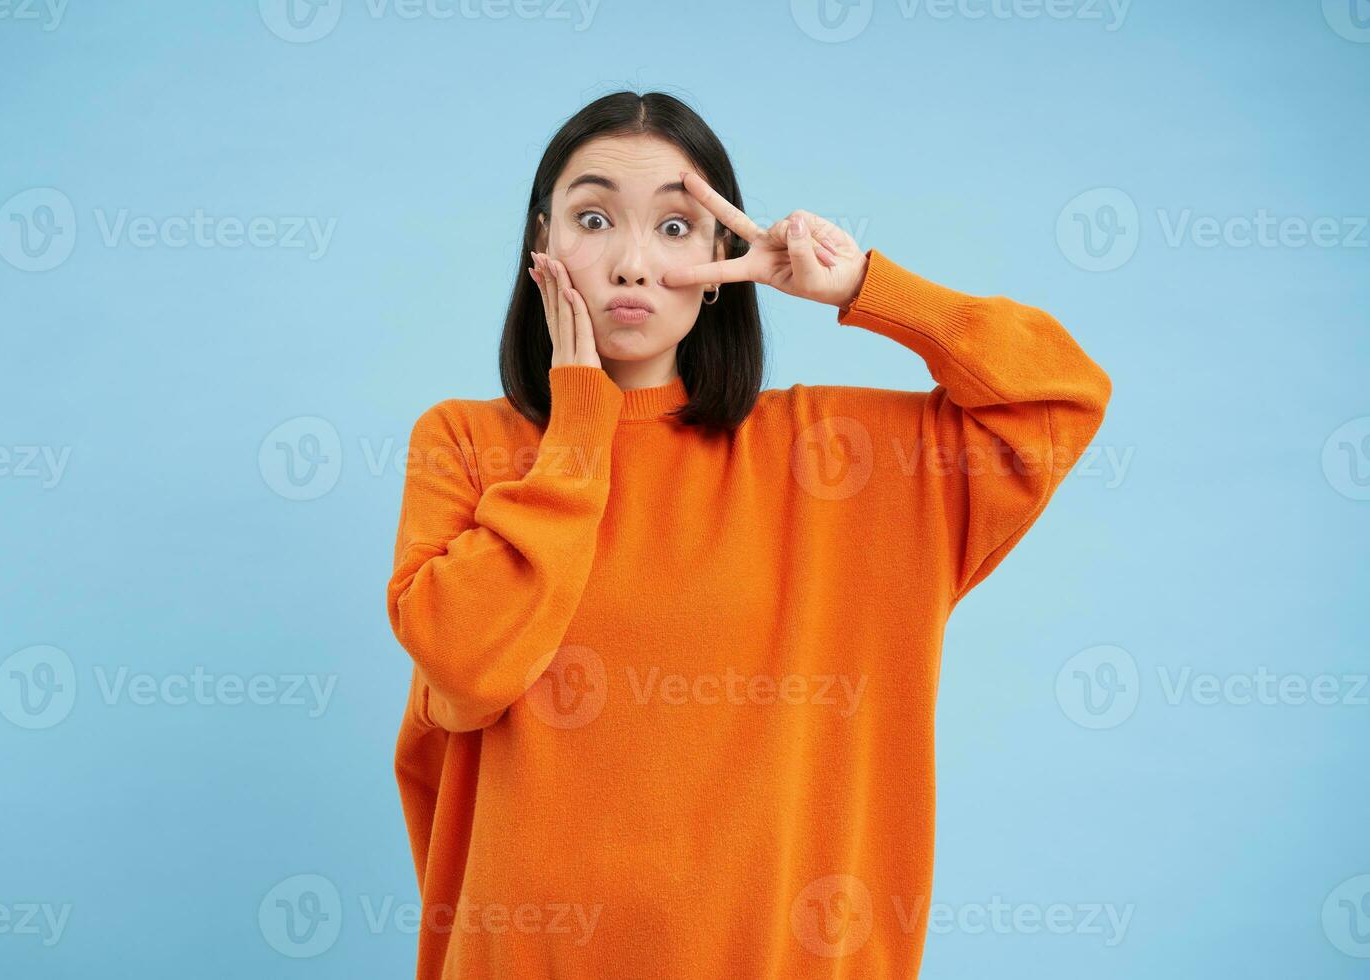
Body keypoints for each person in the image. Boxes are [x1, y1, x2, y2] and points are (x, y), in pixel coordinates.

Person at [387, 90, 1111, 979]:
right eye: (593, 216)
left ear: (727, 254)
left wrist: (860, 286)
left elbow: (1059, 399)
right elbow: (465, 661)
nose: (632, 262)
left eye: (677, 229)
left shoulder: (835, 464)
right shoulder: (465, 444)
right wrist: (580, 426)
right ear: (542, 242)